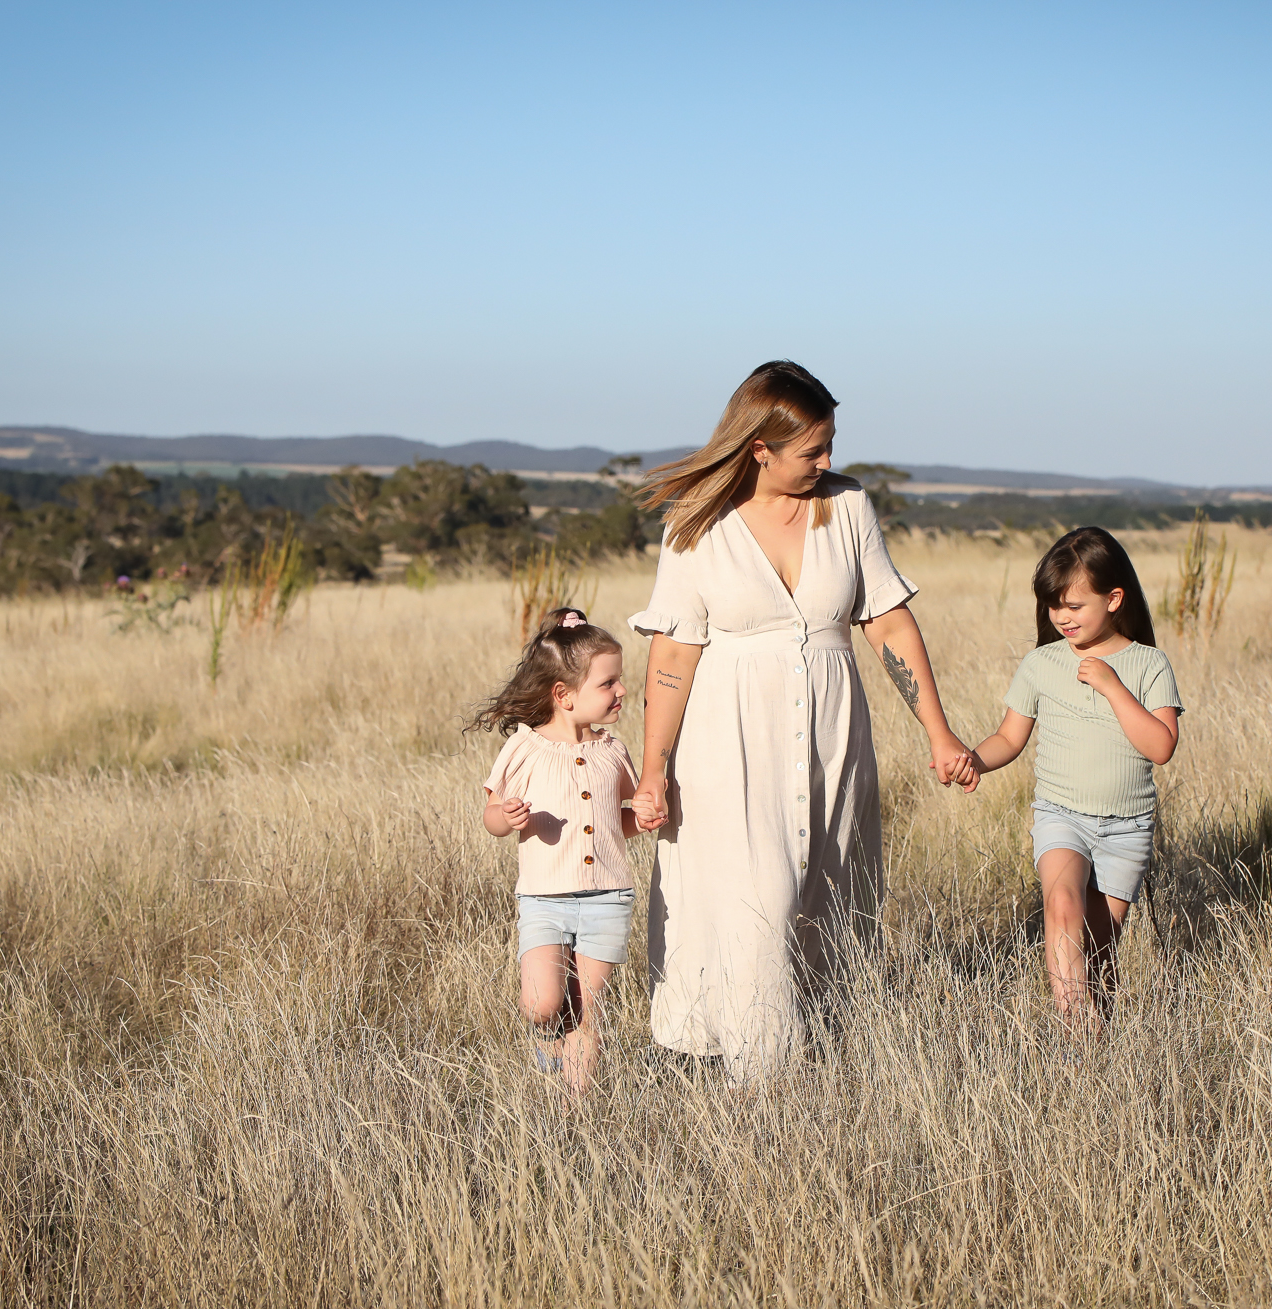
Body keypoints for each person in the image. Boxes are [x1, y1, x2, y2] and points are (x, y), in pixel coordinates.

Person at [627, 360, 976, 1079]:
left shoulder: (846, 507)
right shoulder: (697, 521)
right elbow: (672, 654)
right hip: (729, 737)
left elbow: (887, 621)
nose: (827, 461)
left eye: (830, 445)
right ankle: (761, 1084)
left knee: (828, 895)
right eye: (811, 450)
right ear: (759, 447)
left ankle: (822, 1064)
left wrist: (938, 733)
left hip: (831, 734)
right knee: (758, 900)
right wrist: (653, 769)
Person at [968, 527, 1183, 1036]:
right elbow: (1008, 737)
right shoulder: (1041, 664)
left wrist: (1112, 687)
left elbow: (1161, 746)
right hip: (1062, 817)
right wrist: (973, 760)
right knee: (1061, 906)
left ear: (1113, 599)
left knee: (1100, 951)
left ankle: (1097, 1052)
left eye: (1074, 605)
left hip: (1127, 828)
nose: (1062, 617)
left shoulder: (1148, 665)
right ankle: (1075, 1038)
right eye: (1053, 606)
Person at [471, 608, 641, 1093]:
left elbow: (618, 821)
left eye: (620, 680)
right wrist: (506, 817)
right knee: (543, 1005)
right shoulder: (526, 749)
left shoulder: (613, 750)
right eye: (609, 684)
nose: (622, 691)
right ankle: (546, 1047)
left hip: (608, 896)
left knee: (587, 1011)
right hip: (544, 900)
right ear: (563, 696)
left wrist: (643, 818)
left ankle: (574, 1117)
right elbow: (491, 817)